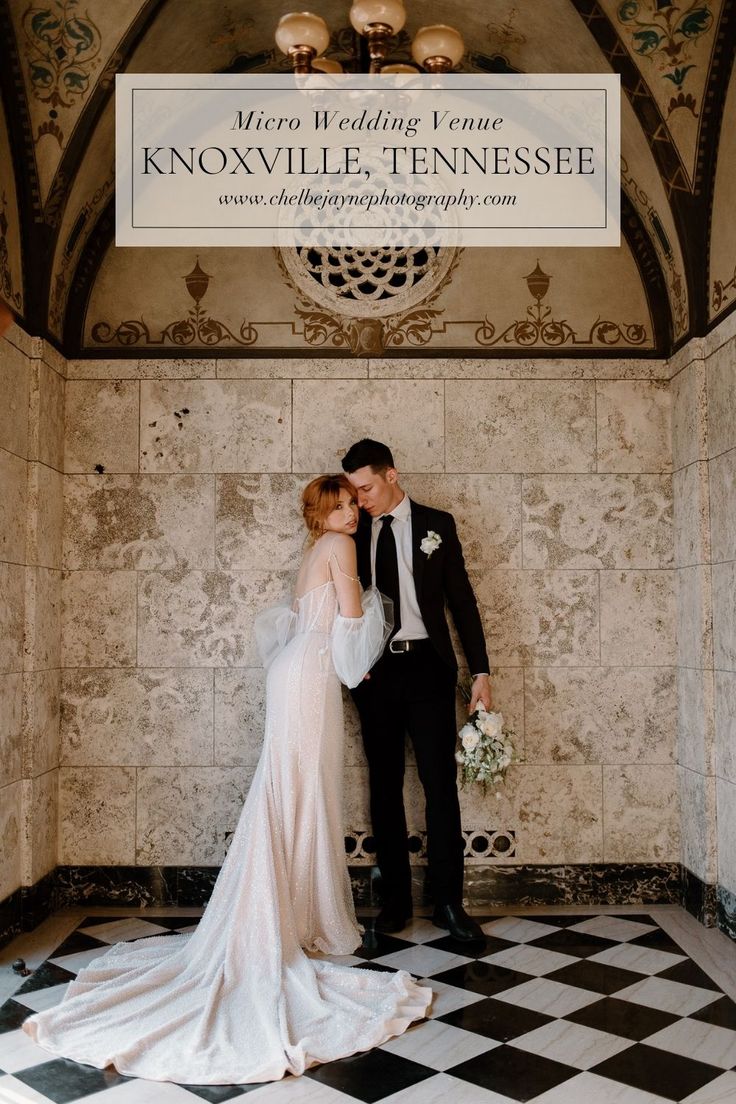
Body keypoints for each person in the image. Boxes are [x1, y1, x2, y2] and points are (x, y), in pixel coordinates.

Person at [22, 475, 431, 1085]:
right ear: (321, 515)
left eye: (353, 503)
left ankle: (293, 912)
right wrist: (376, 629)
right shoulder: (340, 548)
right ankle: (300, 918)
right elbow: (350, 627)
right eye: (340, 505)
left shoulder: (313, 552)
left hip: (296, 673)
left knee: (291, 789)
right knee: (303, 792)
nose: (351, 512)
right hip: (310, 677)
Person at [342, 439, 492, 942]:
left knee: (439, 786)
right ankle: (395, 904)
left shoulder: (437, 524)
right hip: (375, 675)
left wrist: (481, 673)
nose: (359, 499)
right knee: (383, 786)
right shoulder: (354, 529)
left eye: (365, 487)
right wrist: (349, 666)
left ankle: (449, 902)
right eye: (353, 491)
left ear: (392, 474)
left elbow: (462, 601)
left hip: (428, 669)